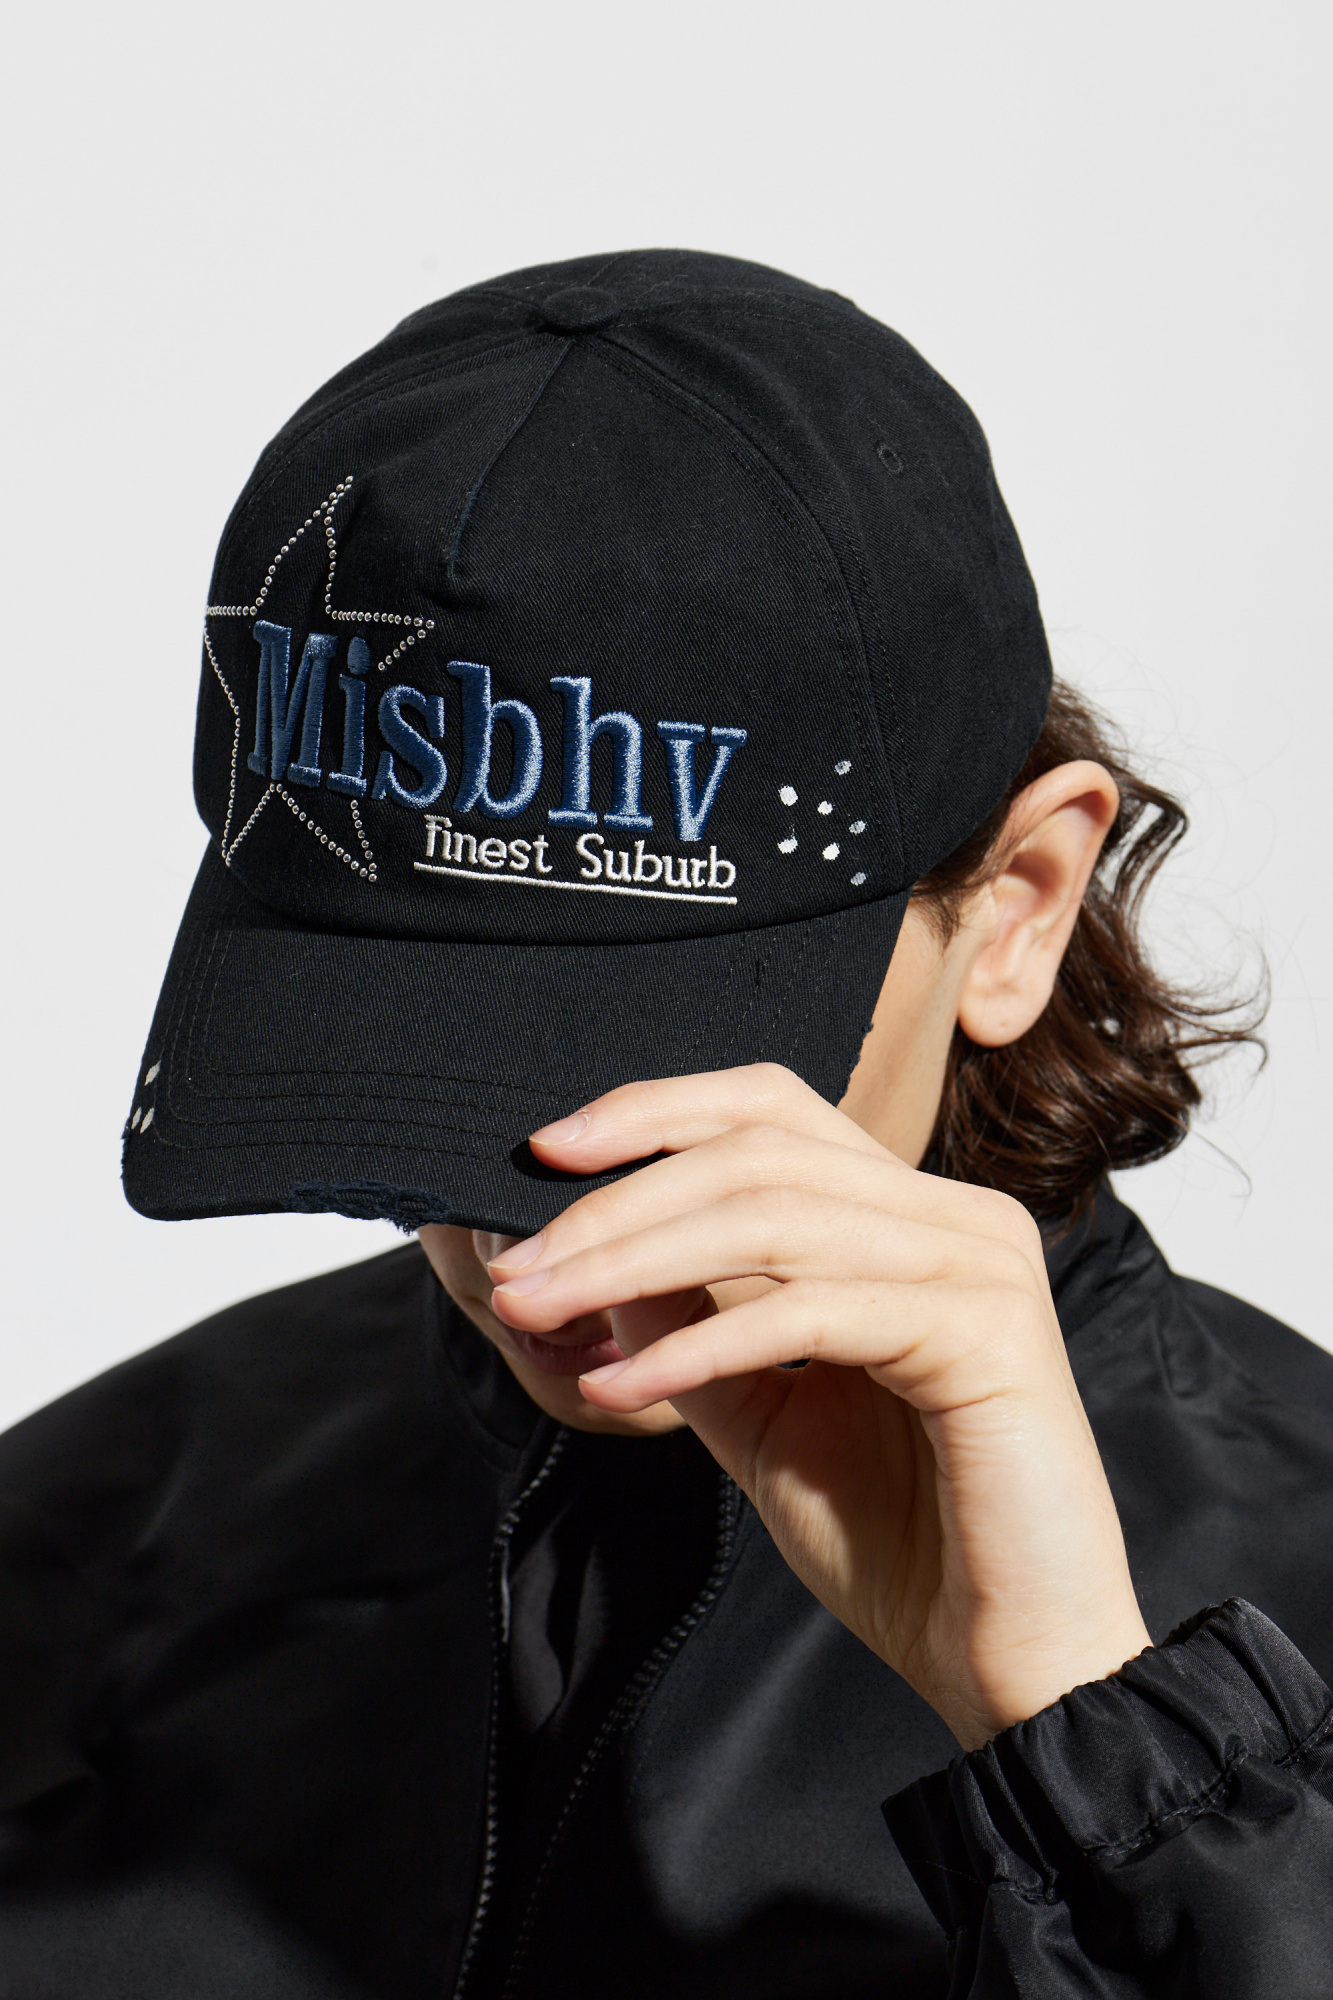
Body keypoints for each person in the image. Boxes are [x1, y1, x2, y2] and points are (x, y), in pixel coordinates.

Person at [2, 249, 1330, 2000]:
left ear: (1013, 907)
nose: (527, 1225)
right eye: (417, 1051)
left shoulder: (1297, 1609)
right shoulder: (74, 1544)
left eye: (649, 1049)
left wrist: (1110, 1762)